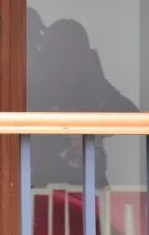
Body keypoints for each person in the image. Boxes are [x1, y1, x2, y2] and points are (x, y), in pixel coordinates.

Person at [30, 18, 136, 187]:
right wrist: (70, 139)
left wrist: (90, 131)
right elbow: (28, 133)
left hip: (89, 183)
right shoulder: (37, 83)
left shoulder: (90, 79)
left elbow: (130, 114)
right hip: (47, 184)